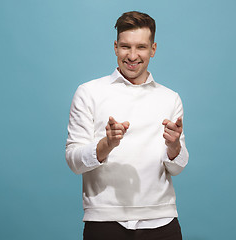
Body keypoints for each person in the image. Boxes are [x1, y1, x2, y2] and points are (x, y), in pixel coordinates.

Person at [65, 11, 189, 240]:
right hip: (105, 221)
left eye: (141, 47)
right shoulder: (89, 92)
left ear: (153, 49)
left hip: (161, 221)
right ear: (115, 47)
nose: (132, 56)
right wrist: (107, 144)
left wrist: (174, 147)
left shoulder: (170, 98)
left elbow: (177, 167)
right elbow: (74, 161)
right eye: (125, 47)